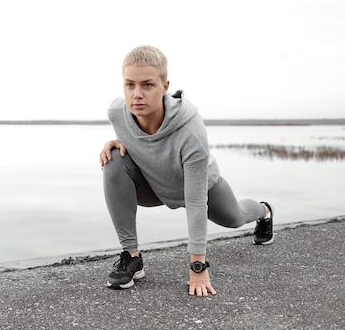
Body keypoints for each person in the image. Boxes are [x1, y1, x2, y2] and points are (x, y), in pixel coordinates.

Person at [99, 45, 273, 297]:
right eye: (130, 85)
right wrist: (118, 142)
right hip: (154, 186)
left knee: (235, 218)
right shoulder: (116, 112)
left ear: (165, 86)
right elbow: (132, 136)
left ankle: (264, 210)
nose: (137, 94)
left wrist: (198, 266)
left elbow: (195, 200)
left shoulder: (190, 128)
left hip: (203, 187)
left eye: (147, 85)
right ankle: (132, 257)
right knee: (113, 158)